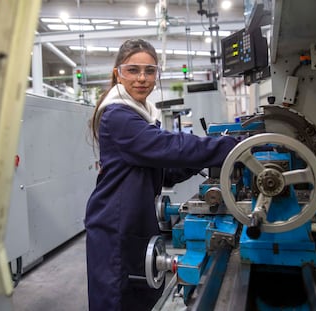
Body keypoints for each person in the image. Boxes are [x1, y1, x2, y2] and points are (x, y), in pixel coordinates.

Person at [85, 39, 238, 311]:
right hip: (115, 227)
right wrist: (230, 147)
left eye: (150, 71)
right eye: (133, 70)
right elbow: (168, 147)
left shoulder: (141, 114)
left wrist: (207, 154)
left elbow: (166, 170)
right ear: (118, 73)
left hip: (134, 222)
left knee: (140, 298)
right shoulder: (118, 116)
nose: (142, 78)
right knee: (118, 301)